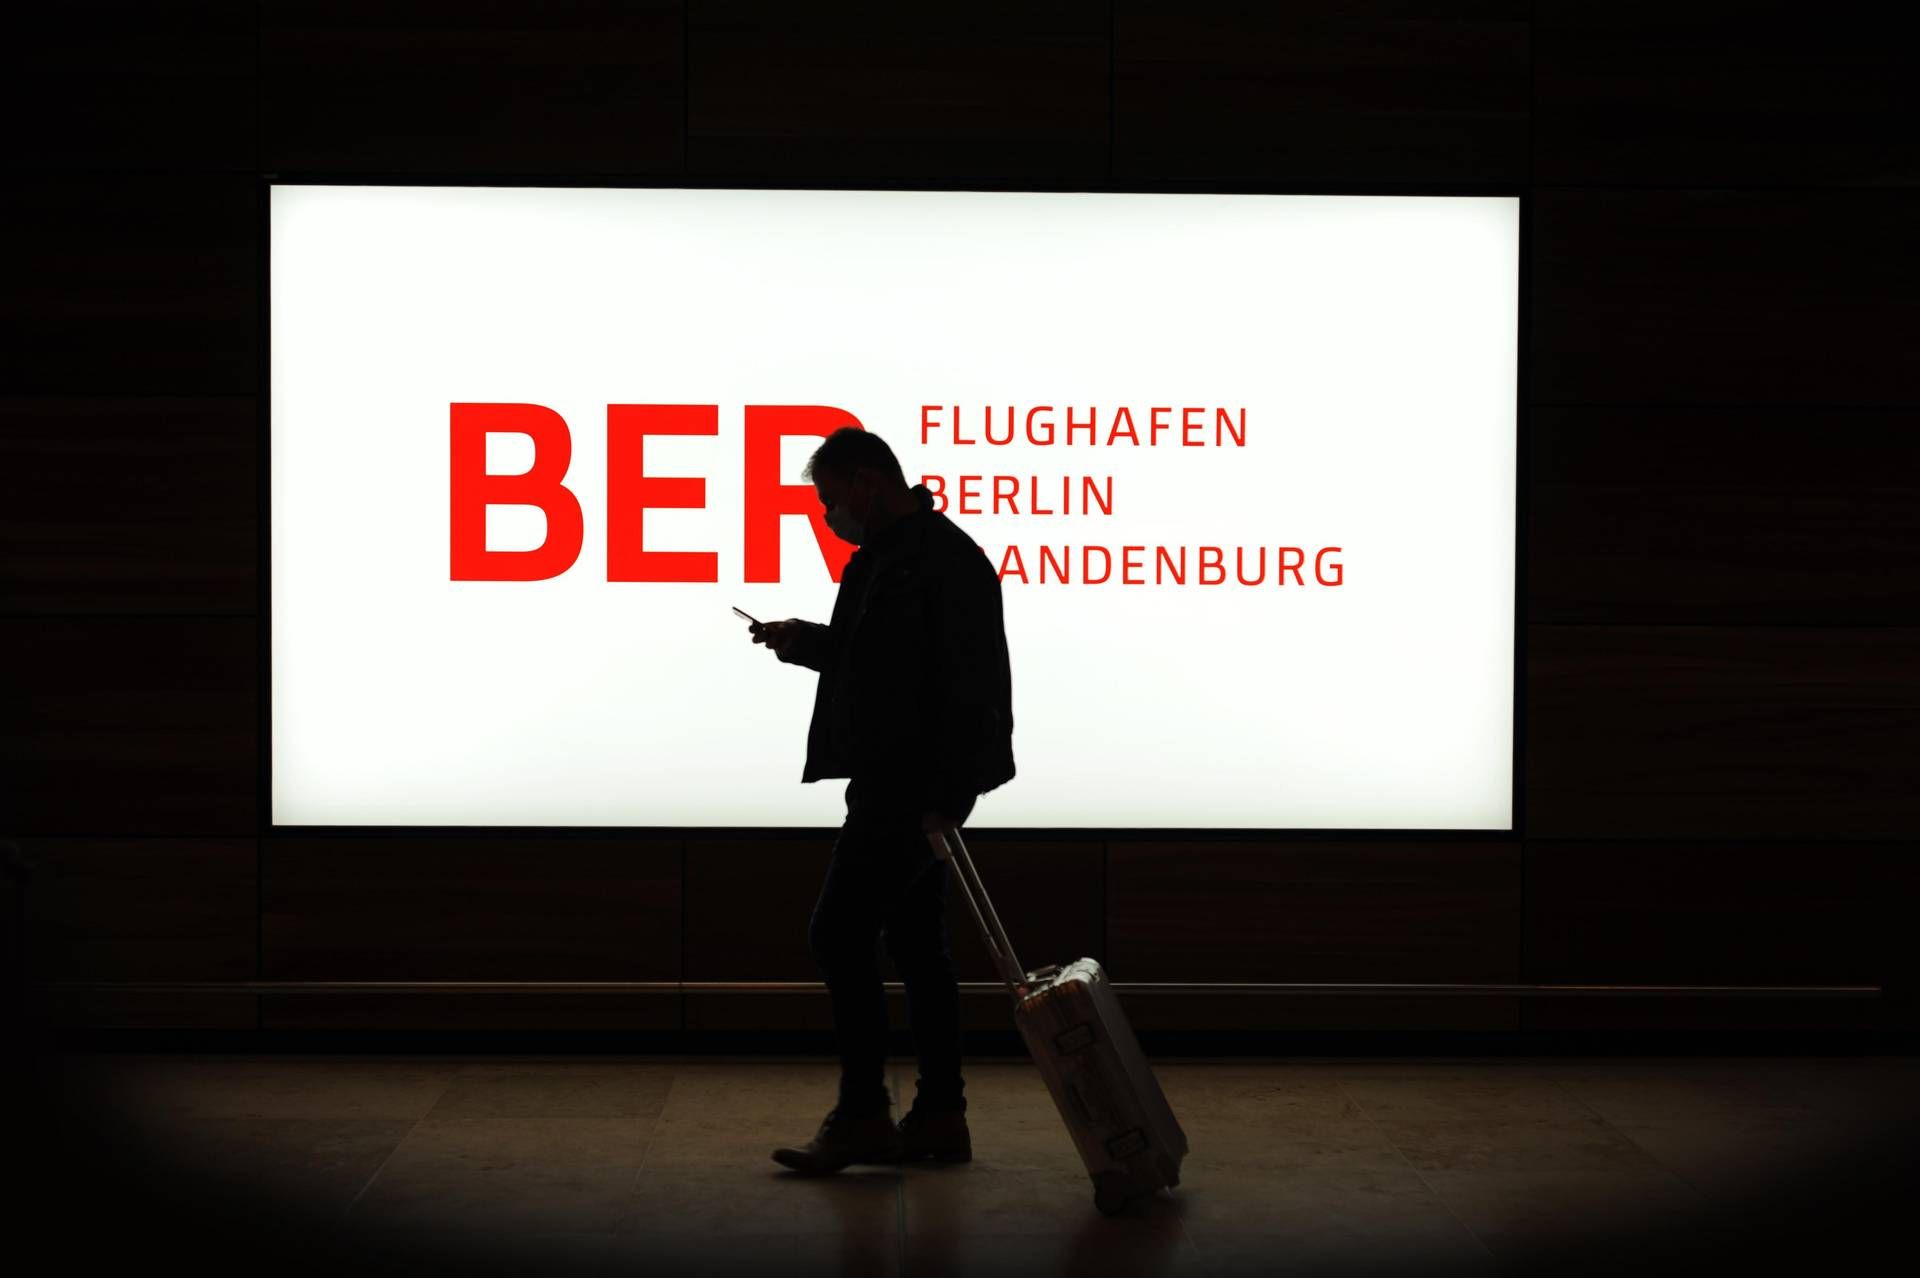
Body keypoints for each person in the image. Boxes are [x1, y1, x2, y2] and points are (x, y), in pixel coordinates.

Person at [749, 426, 1015, 1175]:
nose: (829, 515)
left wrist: (950, 793)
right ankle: (939, 1116)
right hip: (897, 779)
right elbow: (874, 661)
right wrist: (803, 640)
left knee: (838, 933)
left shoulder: (939, 560)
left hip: (912, 785)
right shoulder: (890, 558)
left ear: (868, 482)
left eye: (831, 500)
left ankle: (866, 1115)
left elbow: (973, 684)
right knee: (918, 945)